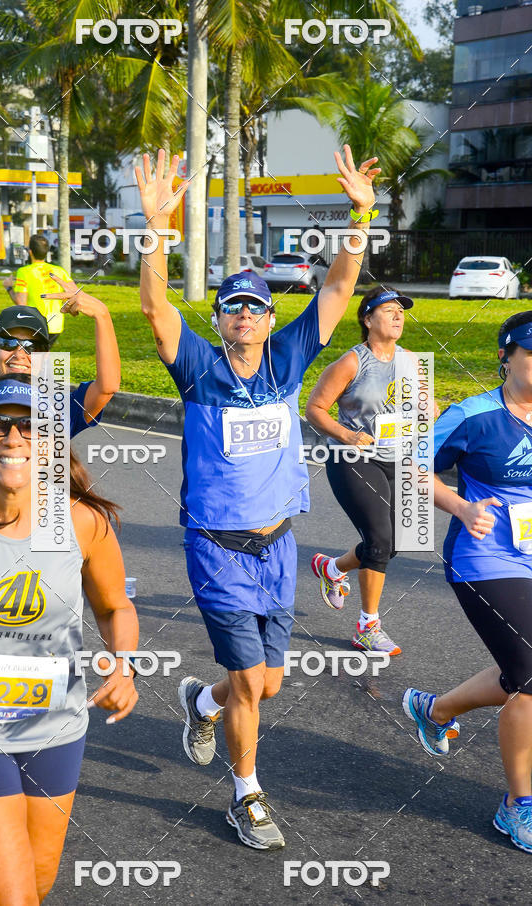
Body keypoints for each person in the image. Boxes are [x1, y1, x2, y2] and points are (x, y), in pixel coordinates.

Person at [137, 145, 381, 849]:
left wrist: (359, 219)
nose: (244, 313)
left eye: (255, 306)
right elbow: (154, 308)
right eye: (231, 306)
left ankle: (199, 701)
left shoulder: (289, 359)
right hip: (217, 548)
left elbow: (336, 292)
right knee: (251, 682)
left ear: (271, 320)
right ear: (219, 320)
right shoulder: (197, 368)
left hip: (278, 545)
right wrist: (156, 227)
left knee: (264, 685)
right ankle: (248, 796)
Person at [0, 372, 139, 905]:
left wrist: (124, 666)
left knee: (34, 885)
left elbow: (115, 606)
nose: (14, 437)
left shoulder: (80, 521)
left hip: (55, 728)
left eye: (30, 426)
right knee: (11, 898)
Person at [403, 310, 532, 854]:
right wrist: (458, 505)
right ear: (507, 357)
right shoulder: (475, 415)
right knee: (529, 672)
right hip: (487, 560)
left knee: (520, 665)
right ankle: (517, 807)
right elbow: (411, 464)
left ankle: (436, 709)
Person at [305, 287, 417, 655]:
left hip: (395, 455)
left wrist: (427, 410)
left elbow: (422, 410)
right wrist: (348, 435)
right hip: (350, 458)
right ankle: (367, 627)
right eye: (388, 310)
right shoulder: (352, 362)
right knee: (380, 540)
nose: (398, 316)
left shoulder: (412, 362)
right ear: (368, 320)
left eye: (401, 311)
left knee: (397, 540)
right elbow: (315, 409)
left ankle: (334, 568)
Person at [0, 276, 119, 440]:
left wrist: (102, 315)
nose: (20, 354)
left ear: (45, 356)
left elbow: (106, 388)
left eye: (32, 347)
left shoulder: (57, 410)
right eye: (8, 343)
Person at [3, 233, 71, 345]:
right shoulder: (60, 271)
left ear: (30, 252)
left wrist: (8, 287)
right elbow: (72, 294)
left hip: (35, 324)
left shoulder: (24, 272)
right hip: (56, 325)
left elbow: (21, 302)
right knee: (42, 355)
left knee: (33, 357)